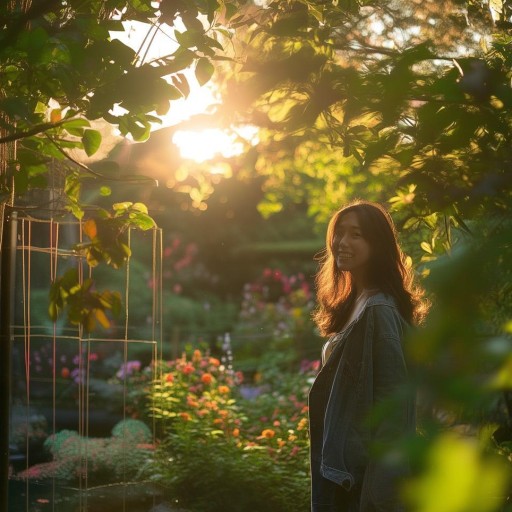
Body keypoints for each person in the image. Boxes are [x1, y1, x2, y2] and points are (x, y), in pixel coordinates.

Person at [308, 200, 427, 512]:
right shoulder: (356, 301)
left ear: (378, 244)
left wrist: (379, 494)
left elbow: (393, 407)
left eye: (356, 234)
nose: (341, 243)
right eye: (339, 233)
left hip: (362, 481)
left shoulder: (380, 311)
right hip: (344, 472)